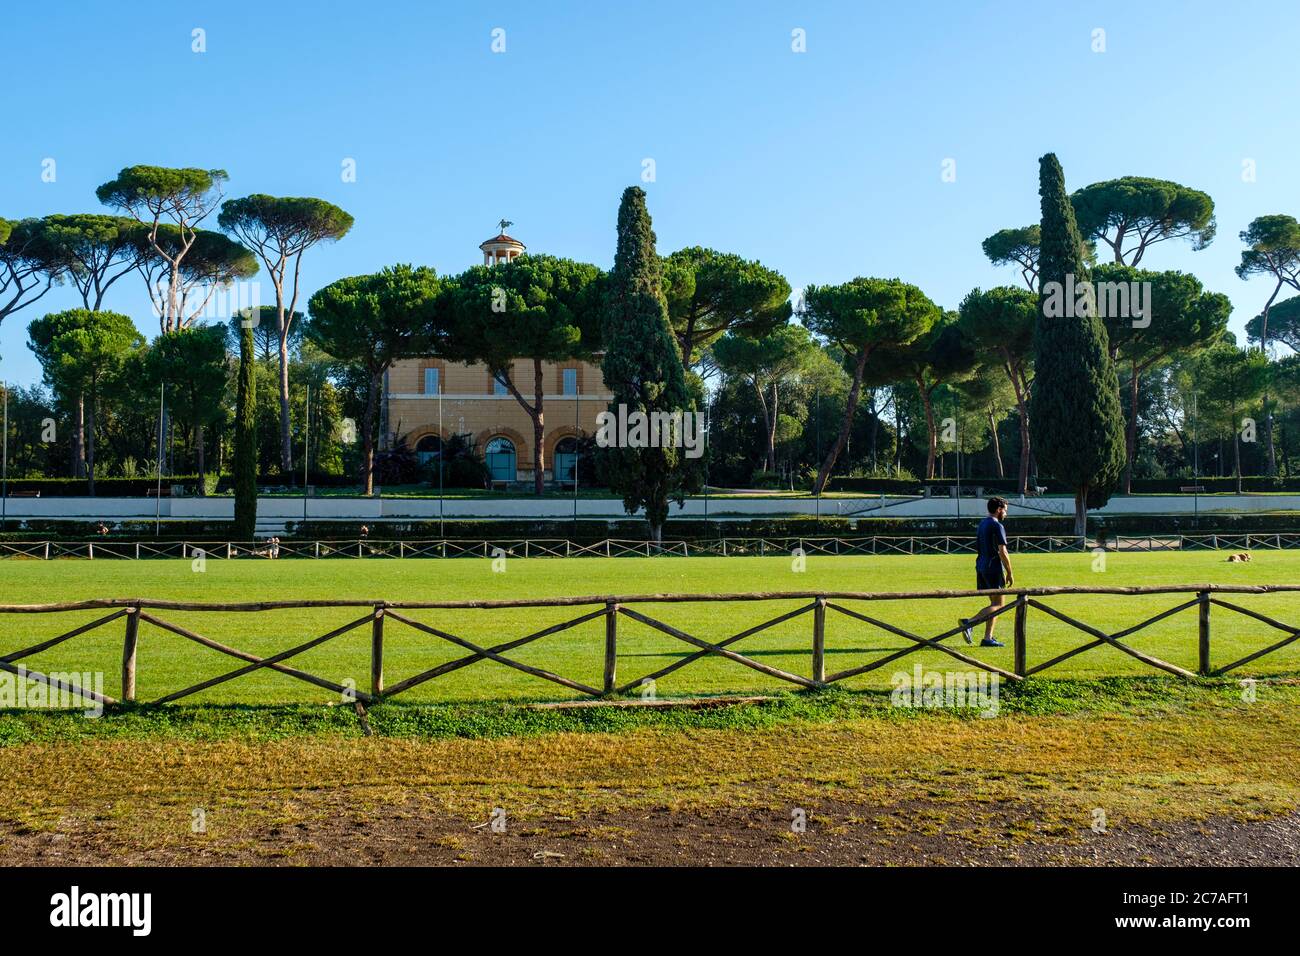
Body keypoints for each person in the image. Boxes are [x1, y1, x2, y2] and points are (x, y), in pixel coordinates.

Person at [961, 496, 1014, 647]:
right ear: (999, 510)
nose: (1006, 513)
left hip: (981, 566)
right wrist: (1010, 572)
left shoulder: (982, 523)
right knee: (999, 605)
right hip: (994, 568)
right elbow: (1002, 551)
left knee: (994, 603)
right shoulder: (997, 526)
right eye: (1005, 510)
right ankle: (969, 623)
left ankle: (987, 638)